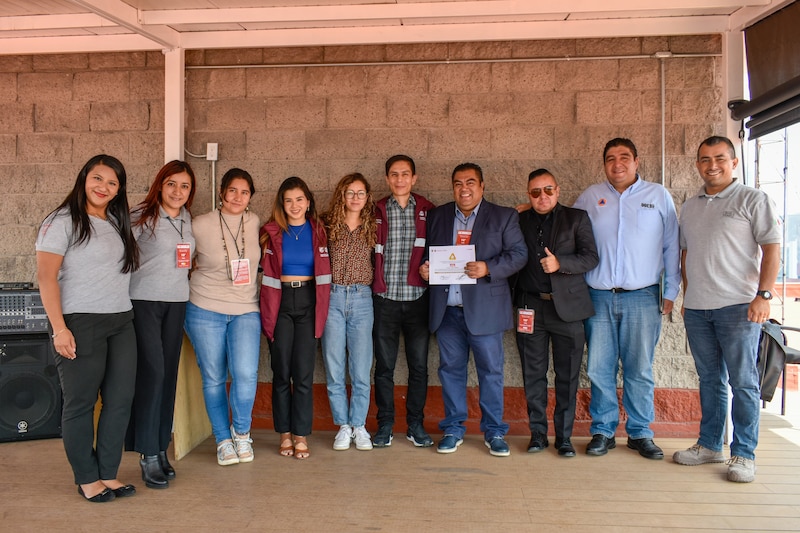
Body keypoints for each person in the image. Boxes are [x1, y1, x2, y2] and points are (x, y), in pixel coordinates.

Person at [674, 135, 781, 483]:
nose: (712, 165)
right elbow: (686, 255)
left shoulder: (753, 199)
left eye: (720, 158)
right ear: (697, 165)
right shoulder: (690, 206)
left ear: (734, 163)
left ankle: (744, 453)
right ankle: (709, 445)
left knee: (744, 383)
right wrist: (688, 299)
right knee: (709, 380)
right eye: (705, 159)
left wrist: (763, 295)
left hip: (739, 307)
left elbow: (771, 248)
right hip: (698, 309)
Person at [36, 154, 140, 503]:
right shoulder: (61, 221)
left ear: (118, 190)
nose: (104, 187)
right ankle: (86, 478)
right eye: (98, 178)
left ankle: (107, 473)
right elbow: (46, 277)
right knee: (80, 403)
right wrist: (59, 329)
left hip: (121, 321)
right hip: (80, 321)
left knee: (120, 400)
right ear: (84, 178)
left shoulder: (115, 221)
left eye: (112, 183)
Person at [573, 138, 680, 460]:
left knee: (639, 368)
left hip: (643, 297)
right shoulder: (591, 197)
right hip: (599, 297)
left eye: (624, 158)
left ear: (636, 161)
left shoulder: (658, 196)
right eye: (610, 159)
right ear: (603, 164)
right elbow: (568, 234)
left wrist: (671, 291)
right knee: (598, 367)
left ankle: (639, 432)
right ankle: (603, 430)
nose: (617, 164)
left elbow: (672, 246)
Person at [421, 162, 527, 456]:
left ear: (482, 186)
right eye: (458, 183)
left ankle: (494, 432)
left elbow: (519, 255)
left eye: (470, 182)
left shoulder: (503, 216)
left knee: (491, 372)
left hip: (486, 311)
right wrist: (426, 269)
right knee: (450, 371)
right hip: (448, 311)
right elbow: (429, 254)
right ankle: (453, 428)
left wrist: (488, 267)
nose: (464, 188)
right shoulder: (438, 216)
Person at [513, 169, 598, 457]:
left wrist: (560, 262)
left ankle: (564, 437)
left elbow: (591, 257)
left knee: (568, 375)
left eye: (548, 190)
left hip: (569, 310)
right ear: (529, 195)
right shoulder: (518, 220)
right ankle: (538, 434)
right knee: (533, 374)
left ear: (558, 190)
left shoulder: (577, 218)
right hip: (530, 307)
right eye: (535, 192)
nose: (542, 197)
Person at [125, 160, 196, 489]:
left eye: (184, 186)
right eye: (172, 184)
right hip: (144, 303)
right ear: (160, 185)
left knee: (168, 374)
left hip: (177, 302)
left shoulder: (186, 217)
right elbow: (119, 257)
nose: (178, 191)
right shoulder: (141, 216)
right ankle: (146, 453)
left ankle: (160, 448)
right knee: (152, 373)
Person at [183, 168, 261, 466]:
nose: (238, 197)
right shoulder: (199, 224)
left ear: (250, 196)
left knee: (245, 374)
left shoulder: (254, 222)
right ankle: (222, 440)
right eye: (232, 191)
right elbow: (181, 260)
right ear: (221, 193)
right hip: (204, 308)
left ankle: (241, 433)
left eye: (244, 192)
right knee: (214, 377)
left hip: (245, 310)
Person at [260, 177, 331, 460]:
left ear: (308, 202)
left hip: (308, 302)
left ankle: (300, 434)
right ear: (281, 203)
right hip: (279, 303)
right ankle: (284, 434)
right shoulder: (270, 232)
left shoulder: (320, 231)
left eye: (299, 199)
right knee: (281, 372)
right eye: (288, 200)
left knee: (302, 373)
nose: (294, 205)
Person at [372, 154, 436, 448]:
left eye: (405, 174)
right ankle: (385, 423)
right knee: (384, 367)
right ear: (387, 179)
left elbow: (441, 250)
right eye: (394, 175)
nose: (400, 180)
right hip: (384, 300)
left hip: (417, 299)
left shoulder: (427, 210)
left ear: (414, 178)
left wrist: (430, 269)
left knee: (418, 367)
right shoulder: (376, 210)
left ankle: (415, 424)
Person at [321, 173, 377, 451]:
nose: (355, 198)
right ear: (341, 195)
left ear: (367, 197)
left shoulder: (374, 226)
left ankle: (359, 425)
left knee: (361, 367)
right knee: (334, 366)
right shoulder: (327, 223)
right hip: (332, 297)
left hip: (362, 298)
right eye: (350, 192)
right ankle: (343, 425)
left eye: (360, 193)